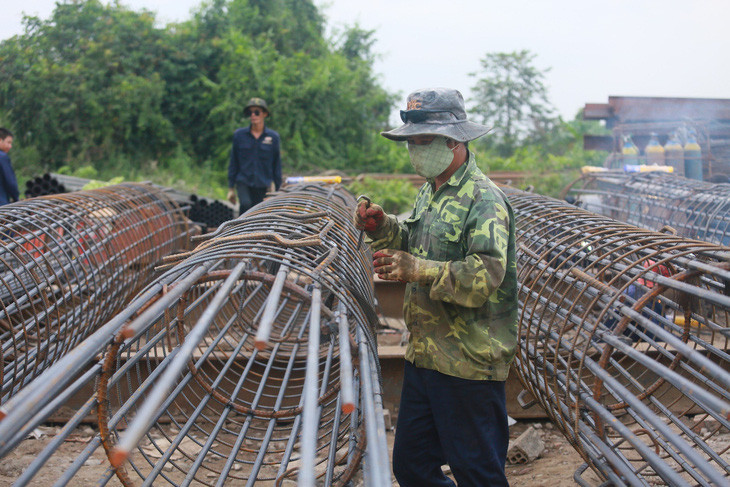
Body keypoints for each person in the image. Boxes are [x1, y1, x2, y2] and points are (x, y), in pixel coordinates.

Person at [354, 88, 518, 487]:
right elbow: (415, 242)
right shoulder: (431, 190)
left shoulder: (484, 199)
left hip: (467, 361)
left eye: (422, 141)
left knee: (477, 473)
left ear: (454, 141)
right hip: (426, 355)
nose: (414, 151)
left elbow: (484, 276)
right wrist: (383, 227)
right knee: (411, 467)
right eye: (411, 142)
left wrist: (418, 270)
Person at [227, 97, 282, 215]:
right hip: (243, 181)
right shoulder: (239, 135)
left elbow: (276, 165)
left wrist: (278, 189)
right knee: (246, 204)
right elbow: (234, 162)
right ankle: (240, 230)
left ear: (265, 114)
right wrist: (231, 188)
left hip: (263, 183)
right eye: (250, 112)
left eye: (256, 112)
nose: (253, 115)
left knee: (258, 212)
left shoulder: (273, 138)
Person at [0, 128, 20, 206]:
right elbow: (11, 183)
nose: (10, 146)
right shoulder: (2, 157)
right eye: (8, 142)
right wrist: (16, 198)